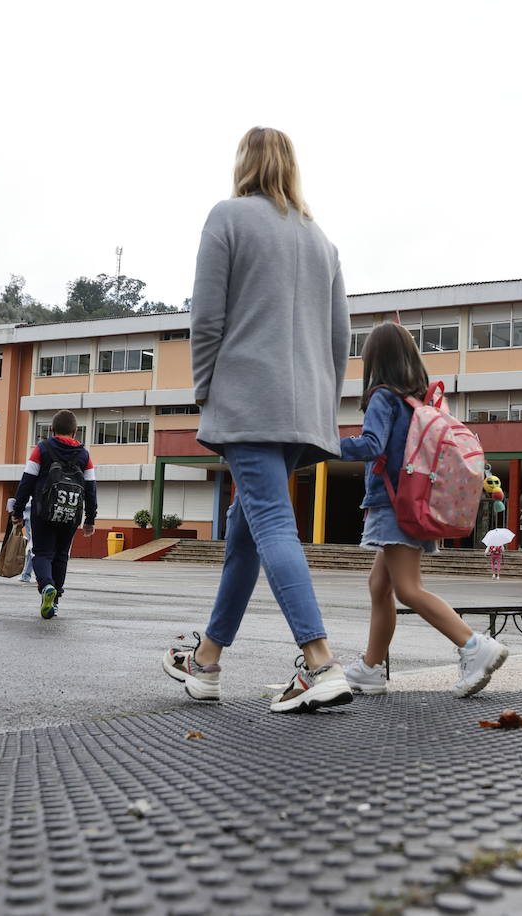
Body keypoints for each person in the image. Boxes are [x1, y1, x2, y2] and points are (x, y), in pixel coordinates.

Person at [161, 126, 353, 713]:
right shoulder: (322, 241)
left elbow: (207, 319)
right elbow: (340, 338)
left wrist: (203, 391)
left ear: (243, 163)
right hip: (303, 410)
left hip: (246, 401)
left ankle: (319, 661)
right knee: (246, 531)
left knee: (270, 522)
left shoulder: (227, 217)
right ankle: (207, 663)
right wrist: (324, 400)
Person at [337, 322, 509, 698]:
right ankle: (370, 668)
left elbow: (370, 445)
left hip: (393, 504)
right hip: (415, 500)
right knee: (379, 586)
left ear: (375, 361)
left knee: (408, 589)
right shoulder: (418, 401)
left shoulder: (382, 397)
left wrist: (326, 445)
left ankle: (474, 647)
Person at [11, 409, 95, 618]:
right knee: (60, 556)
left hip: (43, 511)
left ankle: (47, 587)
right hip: (71, 512)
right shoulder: (84, 455)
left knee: (42, 554)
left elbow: (27, 481)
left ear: (51, 429)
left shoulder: (42, 449)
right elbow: (91, 488)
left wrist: (17, 511)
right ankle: (54, 601)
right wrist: (90, 519)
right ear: (75, 432)